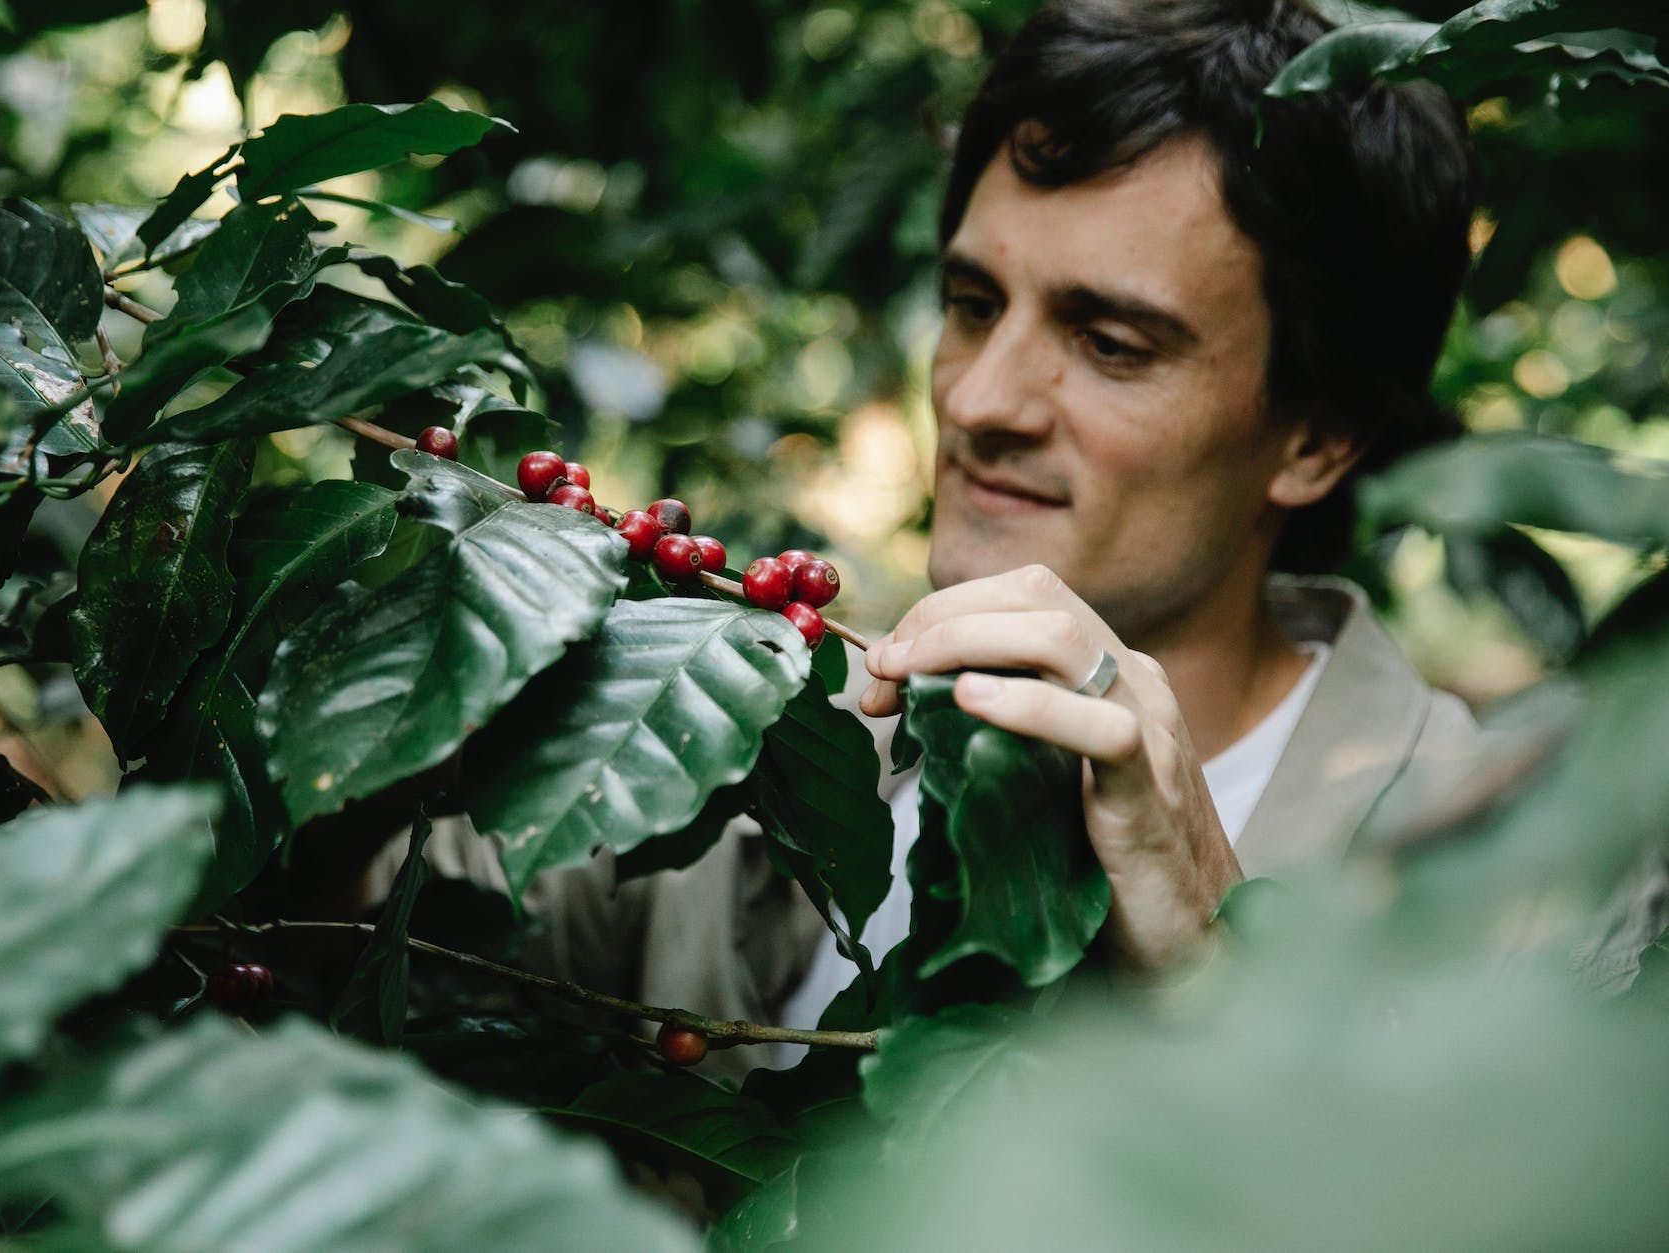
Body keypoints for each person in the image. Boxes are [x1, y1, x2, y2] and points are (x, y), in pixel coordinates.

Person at [427, 0, 1481, 1072]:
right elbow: (374, 942)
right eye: (973, 304)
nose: (976, 399)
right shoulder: (783, 734)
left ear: (1315, 439)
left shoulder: (1529, 876)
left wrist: (1214, 978)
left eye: (1109, 343)